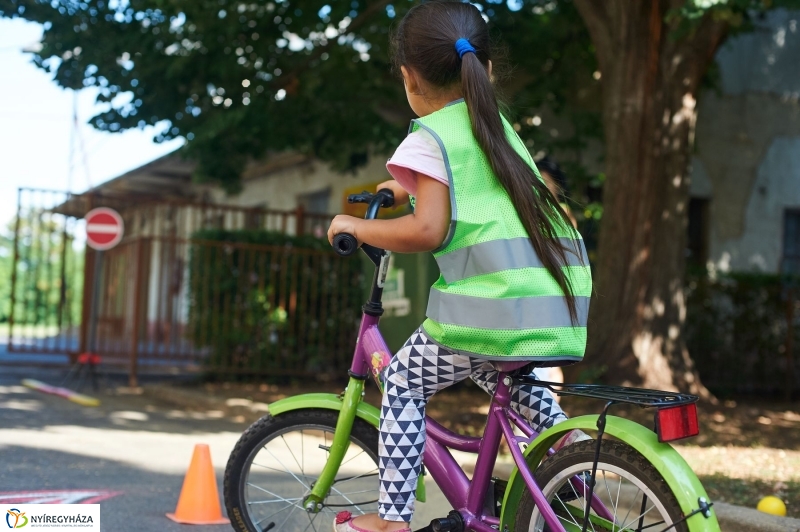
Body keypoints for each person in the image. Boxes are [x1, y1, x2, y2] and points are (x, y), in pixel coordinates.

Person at [327, 3, 592, 531]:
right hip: (552, 299)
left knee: (402, 381)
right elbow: (473, 183)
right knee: (501, 371)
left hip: (490, 305)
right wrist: (403, 185)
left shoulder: (429, 136)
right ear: (484, 68)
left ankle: (392, 520)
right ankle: (573, 452)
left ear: (408, 76)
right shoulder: (495, 125)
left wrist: (357, 227)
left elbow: (427, 229)